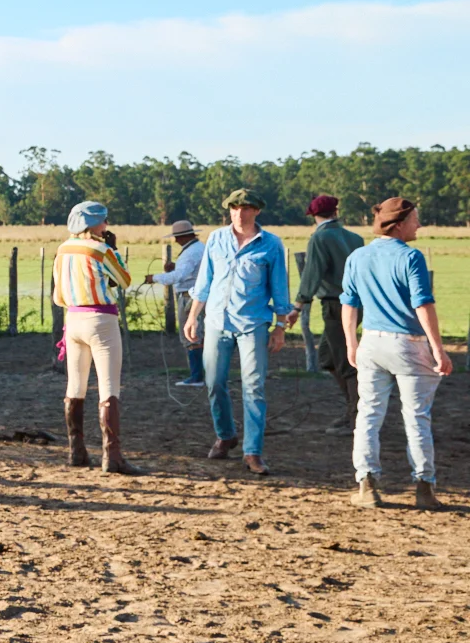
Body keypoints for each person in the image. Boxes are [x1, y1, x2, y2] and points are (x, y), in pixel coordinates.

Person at [343, 197, 452, 509]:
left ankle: (367, 485)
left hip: (372, 343)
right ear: (400, 224)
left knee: (368, 414)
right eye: (415, 219)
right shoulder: (411, 257)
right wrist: (438, 348)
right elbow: (422, 304)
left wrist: (352, 343)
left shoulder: (358, 256)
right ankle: (424, 487)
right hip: (409, 344)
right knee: (417, 417)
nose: (418, 224)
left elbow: (349, 304)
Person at [184, 187, 296, 474]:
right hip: (217, 322)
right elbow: (205, 280)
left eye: (245, 208)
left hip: (253, 324)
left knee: (254, 387)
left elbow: (280, 289)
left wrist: (280, 327)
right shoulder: (216, 239)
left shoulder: (270, 244)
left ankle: (252, 452)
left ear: (256, 211)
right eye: (234, 208)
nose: (239, 213)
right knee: (214, 383)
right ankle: (225, 435)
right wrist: (193, 317)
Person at [55, 202, 138, 473]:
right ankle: (111, 456)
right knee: (108, 388)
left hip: (73, 319)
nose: (106, 225)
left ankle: (76, 452)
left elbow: (58, 295)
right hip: (102, 320)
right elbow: (124, 280)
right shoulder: (101, 250)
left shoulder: (62, 249)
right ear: (92, 224)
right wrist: (114, 249)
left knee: (75, 387)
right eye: (103, 221)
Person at [298, 194, 365, 427]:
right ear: (336, 212)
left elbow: (312, 272)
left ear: (314, 216)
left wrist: (299, 303)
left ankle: (357, 417)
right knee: (327, 357)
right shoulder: (356, 238)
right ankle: (352, 407)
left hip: (335, 306)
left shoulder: (319, 238)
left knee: (346, 362)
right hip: (358, 303)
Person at [144, 219, 206, 388]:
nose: (176, 240)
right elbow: (188, 271)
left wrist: (154, 278)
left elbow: (177, 277)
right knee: (200, 334)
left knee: (191, 335)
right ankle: (204, 374)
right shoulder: (200, 248)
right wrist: (175, 267)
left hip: (189, 297)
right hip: (200, 296)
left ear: (184, 236)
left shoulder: (189, 253)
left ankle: (197, 376)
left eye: (177, 237)